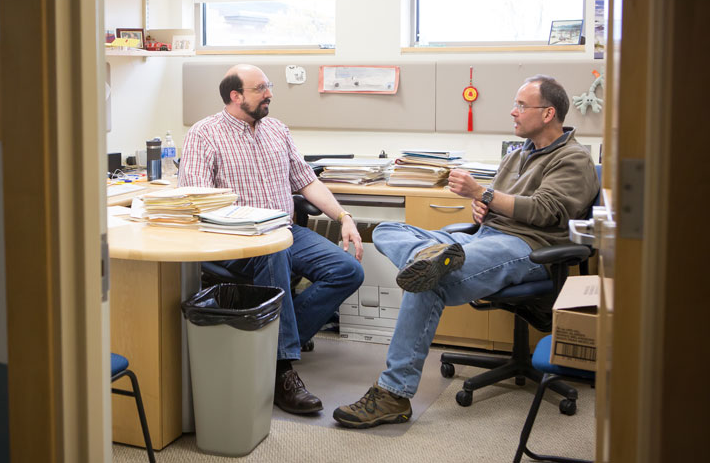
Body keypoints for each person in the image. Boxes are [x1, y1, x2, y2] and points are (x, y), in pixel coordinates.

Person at [333, 75, 599, 428]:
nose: (513, 112)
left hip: (528, 247)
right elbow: (497, 202)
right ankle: (429, 258)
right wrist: (484, 209)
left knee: (428, 282)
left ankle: (394, 394)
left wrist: (483, 195)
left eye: (521, 105)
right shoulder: (518, 154)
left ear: (548, 113)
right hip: (485, 236)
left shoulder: (573, 159)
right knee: (387, 229)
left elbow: (544, 211)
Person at [178, 64, 365, 415]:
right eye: (261, 88)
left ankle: (266, 349)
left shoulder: (277, 129)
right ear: (236, 96)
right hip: (237, 240)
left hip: (285, 231)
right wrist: (246, 225)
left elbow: (306, 181)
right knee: (272, 253)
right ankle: (281, 372)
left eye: (269, 86)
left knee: (347, 270)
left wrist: (344, 217)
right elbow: (195, 200)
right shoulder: (205, 134)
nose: (270, 94)